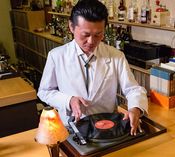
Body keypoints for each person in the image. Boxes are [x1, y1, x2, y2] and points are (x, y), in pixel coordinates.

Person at [37, 0, 148, 135]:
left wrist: (135, 108)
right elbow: (44, 91)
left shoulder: (116, 56)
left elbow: (133, 89)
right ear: (71, 27)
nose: (91, 41)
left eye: (98, 35)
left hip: (107, 128)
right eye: (86, 34)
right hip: (71, 127)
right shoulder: (56, 56)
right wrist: (69, 100)